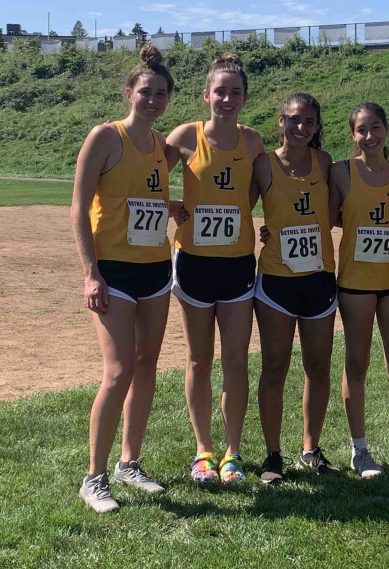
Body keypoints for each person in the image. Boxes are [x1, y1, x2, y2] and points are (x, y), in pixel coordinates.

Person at [71, 45, 177, 513]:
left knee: (146, 364)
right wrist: (90, 273)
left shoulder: (162, 147)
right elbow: (79, 208)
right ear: (128, 92)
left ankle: (129, 464)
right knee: (117, 372)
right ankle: (93, 478)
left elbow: (144, 199)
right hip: (112, 271)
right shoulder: (105, 137)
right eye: (146, 91)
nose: (153, 100)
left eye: (161, 94)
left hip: (155, 270)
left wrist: (171, 208)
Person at [165, 54, 266, 485]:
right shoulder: (185, 136)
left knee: (236, 361)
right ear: (206, 95)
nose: (227, 99)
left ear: (244, 98)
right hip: (193, 263)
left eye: (235, 92)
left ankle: (233, 453)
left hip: (238, 264)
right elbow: (147, 174)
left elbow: (262, 189)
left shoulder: (253, 141)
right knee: (198, 359)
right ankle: (203, 450)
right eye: (220, 91)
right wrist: (168, 205)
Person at [332, 102, 389, 478]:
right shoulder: (341, 171)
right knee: (357, 362)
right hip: (355, 282)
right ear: (353, 135)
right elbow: (325, 215)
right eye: (361, 130)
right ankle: (360, 450)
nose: (369, 136)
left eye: (375, 128)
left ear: (387, 129)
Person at [254, 93, 339, 484]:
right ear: (280, 121)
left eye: (308, 121)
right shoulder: (263, 164)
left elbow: (337, 213)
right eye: (293, 119)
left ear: (317, 125)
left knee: (318, 367)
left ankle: (311, 449)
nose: (300, 127)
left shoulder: (325, 163)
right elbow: (238, 206)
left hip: (319, 278)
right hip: (276, 281)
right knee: (275, 367)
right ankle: (273, 455)